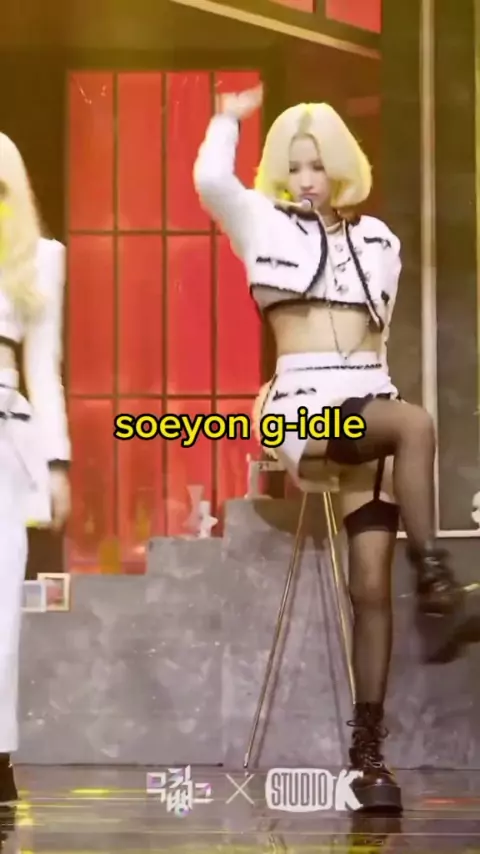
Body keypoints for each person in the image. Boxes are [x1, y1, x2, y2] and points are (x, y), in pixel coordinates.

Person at [193, 85, 468, 813]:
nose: (307, 179)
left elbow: (377, 341)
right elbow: (211, 181)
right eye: (295, 166)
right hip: (303, 411)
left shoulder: (379, 241)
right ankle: (438, 583)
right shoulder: (260, 221)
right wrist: (226, 119)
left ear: (340, 166)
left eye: (318, 165)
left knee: (370, 588)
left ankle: (368, 759)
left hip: (365, 410)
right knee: (415, 425)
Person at [0, 132, 71, 802]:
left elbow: (43, 371)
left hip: (5, 438)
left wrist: (56, 462)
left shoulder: (40, 259)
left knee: (0, 610)